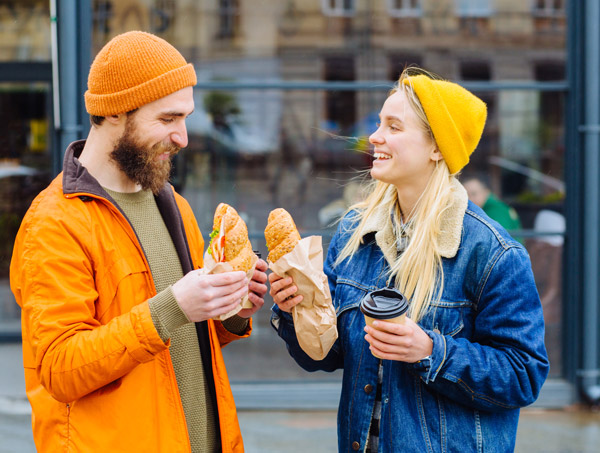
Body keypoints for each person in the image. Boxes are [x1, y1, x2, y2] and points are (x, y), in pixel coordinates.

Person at [10, 31, 268, 453]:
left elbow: (179, 341)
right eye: (167, 120)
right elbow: (59, 370)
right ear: (114, 113)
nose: (183, 137)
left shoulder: (172, 203)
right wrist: (173, 306)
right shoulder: (54, 221)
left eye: (185, 118)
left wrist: (232, 311)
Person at [269, 68, 549, 452]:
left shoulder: (492, 253)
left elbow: (524, 375)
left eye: (393, 127)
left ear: (437, 147)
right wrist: (296, 311)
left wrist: (431, 350)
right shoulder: (355, 231)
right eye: (380, 123)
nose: (374, 136)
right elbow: (326, 356)